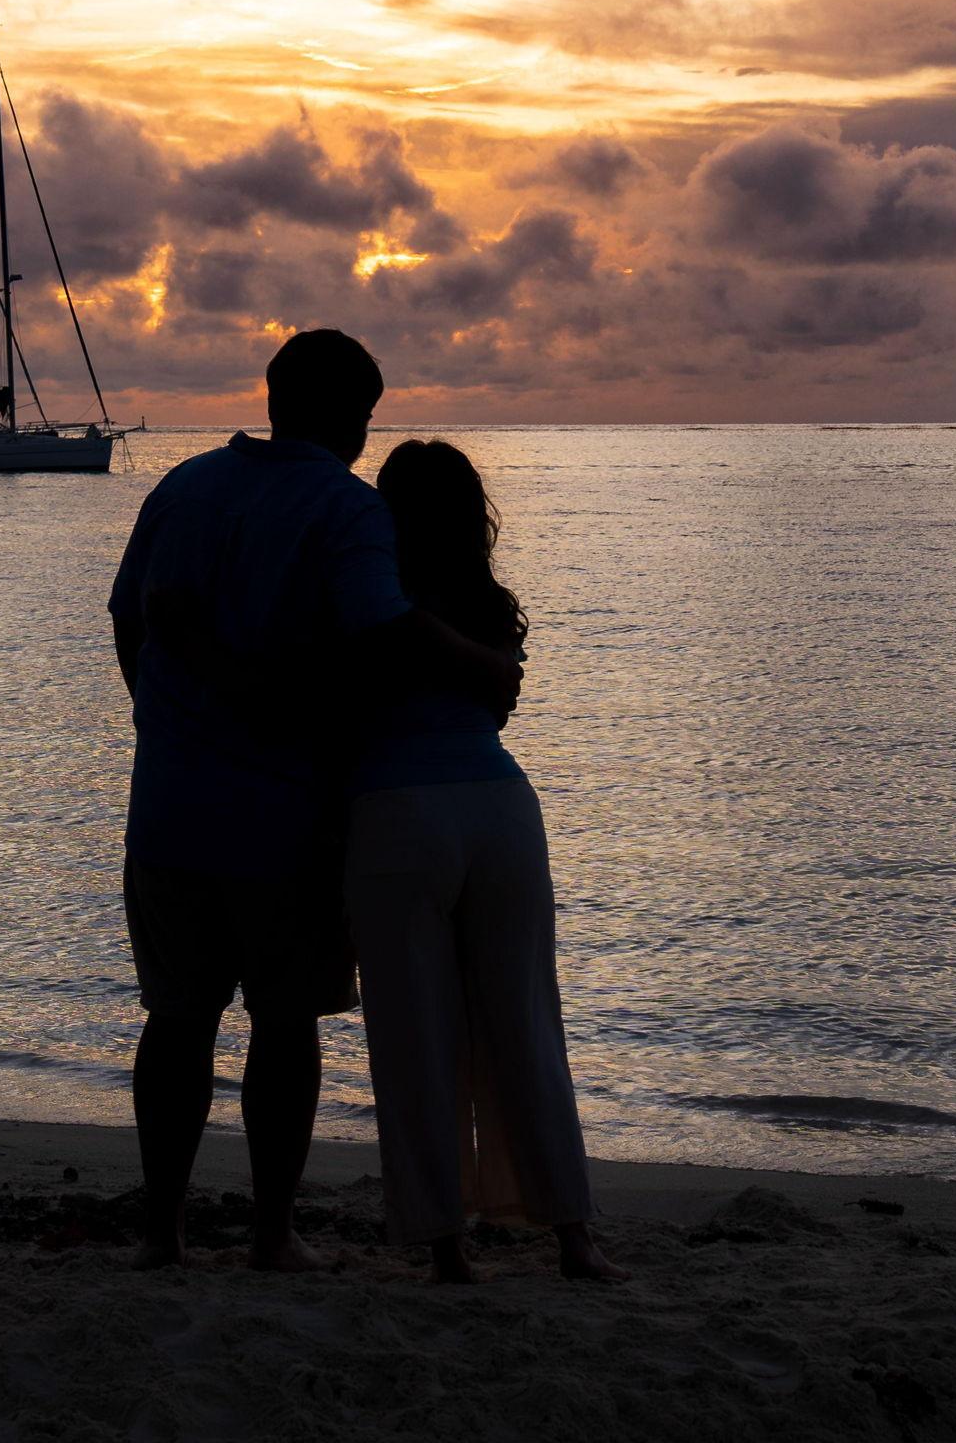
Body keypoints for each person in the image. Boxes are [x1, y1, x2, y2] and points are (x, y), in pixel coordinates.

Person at [109, 331, 519, 1271]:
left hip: (170, 805)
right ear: (354, 420)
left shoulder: (182, 488)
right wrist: (485, 665)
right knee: (284, 1025)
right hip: (290, 814)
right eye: (366, 417)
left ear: (273, 400)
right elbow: (382, 635)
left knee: (177, 1018)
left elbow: (131, 619)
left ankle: (163, 1232)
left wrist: (161, 719)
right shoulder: (346, 506)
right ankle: (270, 1233)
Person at [344, 439, 627, 1284]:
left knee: (415, 1037)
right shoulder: (488, 604)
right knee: (527, 1026)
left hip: (396, 811)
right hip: (500, 809)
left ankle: (446, 1248)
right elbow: (496, 710)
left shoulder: (366, 601)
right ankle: (573, 1237)